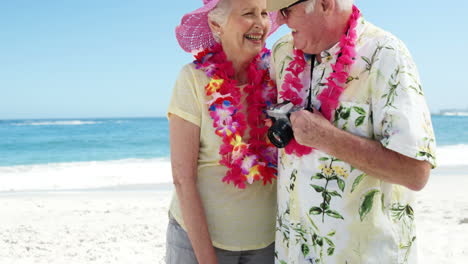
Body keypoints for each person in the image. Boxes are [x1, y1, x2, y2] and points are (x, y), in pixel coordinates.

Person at [266, 0, 437, 263]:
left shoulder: (386, 54)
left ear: (324, 4)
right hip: (293, 254)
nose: (282, 20)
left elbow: (415, 173)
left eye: (286, 10)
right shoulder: (282, 52)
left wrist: (327, 138)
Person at [165, 0, 281, 263]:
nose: (260, 23)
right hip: (200, 242)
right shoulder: (193, 79)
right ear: (216, 24)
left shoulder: (276, 75)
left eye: (264, 14)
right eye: (248, 13)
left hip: (266, 241)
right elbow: (183, 179)